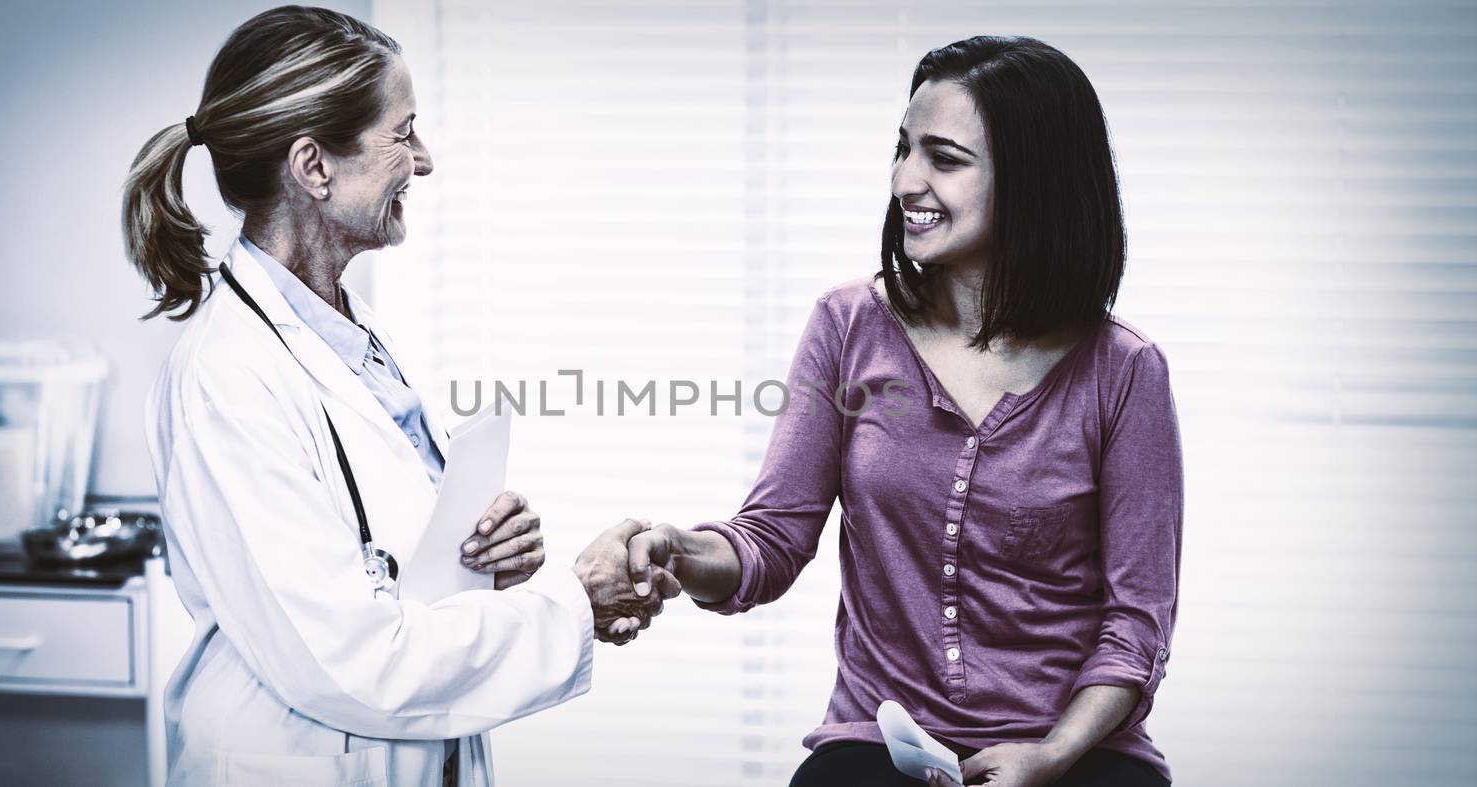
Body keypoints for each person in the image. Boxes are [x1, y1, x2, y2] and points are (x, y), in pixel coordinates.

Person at [122, 7, 672, 786]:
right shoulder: (225, 378)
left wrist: (484, 564)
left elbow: (386, 574)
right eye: (403, 133)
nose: (426, 159)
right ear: (314, 167)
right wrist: (572, 601)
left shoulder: (351, 336)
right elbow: (355, 663)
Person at [618, 37, 1182, 787]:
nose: (904, 179)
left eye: (944, 159)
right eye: (903, 148)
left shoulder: (1125, 371)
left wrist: (1051, 754)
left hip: (1076, 754)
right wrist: (678, 550)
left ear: (1034, 182)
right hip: (878, 748)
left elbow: (1136, 623)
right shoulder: (849, 325)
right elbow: (773, 537)